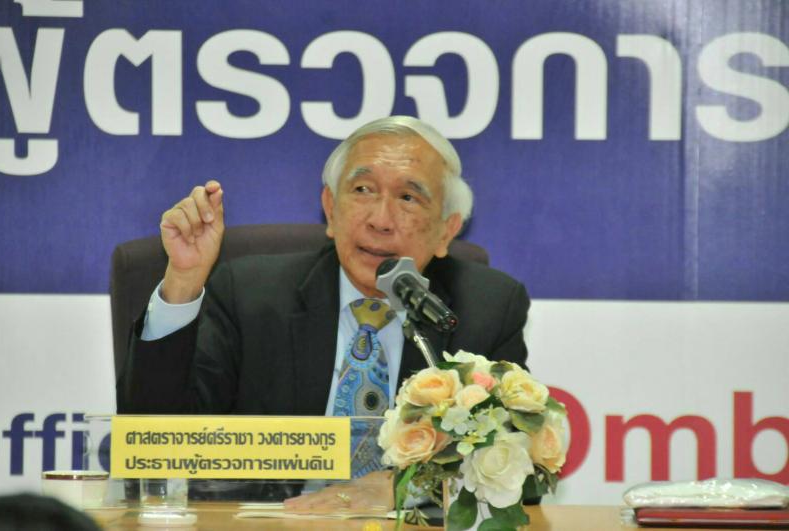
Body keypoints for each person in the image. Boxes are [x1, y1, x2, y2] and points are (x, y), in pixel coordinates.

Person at [116, 115, 531, 511]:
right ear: (330, 210)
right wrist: (184, 282)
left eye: (408, 197)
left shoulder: (486, 309)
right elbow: (152, 442)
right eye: (363, 190)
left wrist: (408, 488)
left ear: (447, 230)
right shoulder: (249, 297)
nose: (380, 220)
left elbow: (521, 475)